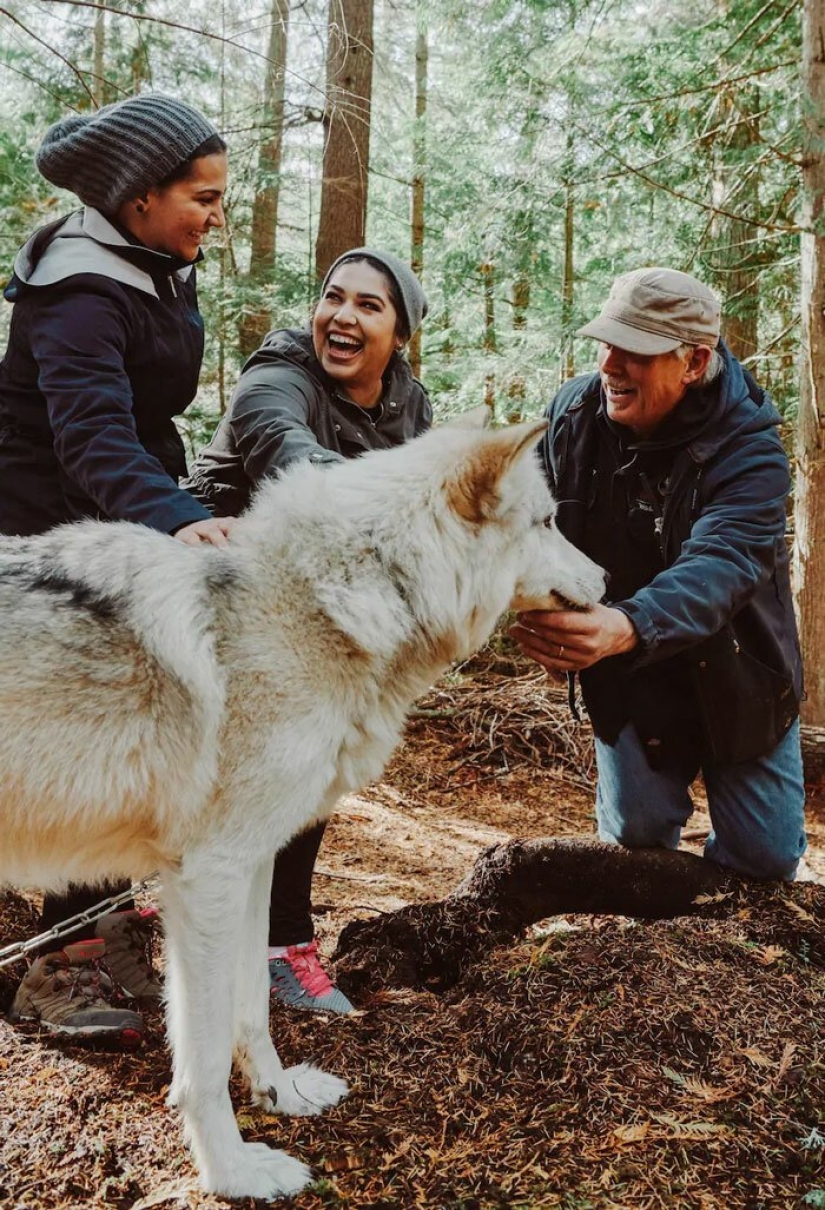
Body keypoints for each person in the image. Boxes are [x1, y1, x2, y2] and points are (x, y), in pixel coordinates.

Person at [1, 94, 232, 1042]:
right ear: (138, 198)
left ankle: (98, 924)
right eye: (202, 198)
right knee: (79, 738)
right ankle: (57, 967)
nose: (215, 214)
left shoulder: (151, 264)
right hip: (46, 533)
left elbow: (138, 423)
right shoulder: (79, 290)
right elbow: (91, 438)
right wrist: (181, 521)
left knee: (143, 729)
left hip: (120, 522)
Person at [185, 247, 432, 1012]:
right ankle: (259, 942)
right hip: (210, 587)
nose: (342, 316)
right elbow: (289, 455)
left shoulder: (408, 405)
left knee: (307, 768)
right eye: (334, 297)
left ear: (400, 335)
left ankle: (274, 942)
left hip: (311, 612)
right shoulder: (277, 377)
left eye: (369, 305)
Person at [512, 267, 807, 882]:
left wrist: (626, 624)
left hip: (739, 675)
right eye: (607, 344)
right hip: (632, 681)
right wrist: (540, 616)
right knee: (635, 845)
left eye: (636, 351)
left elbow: (721, 563)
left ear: (694, 362)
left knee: (766, 862)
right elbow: (520, 523)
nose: (611, 366)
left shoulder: (751, 448)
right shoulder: (571, 418)